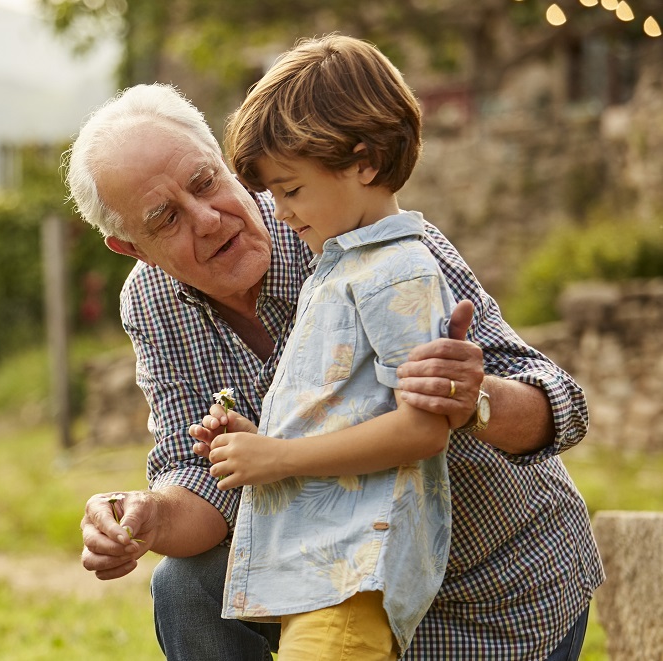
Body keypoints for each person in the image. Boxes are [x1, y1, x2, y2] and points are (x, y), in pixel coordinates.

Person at [68, 69, 602, 661]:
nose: (209, 219)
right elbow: (204, 480)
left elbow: (561, 407)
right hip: (330, 587)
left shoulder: (355, 228)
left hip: (490, 589)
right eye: (166, 218)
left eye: (205, 182)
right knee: (186, 583)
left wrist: (473, 398)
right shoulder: (151, 301)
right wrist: (145, 516)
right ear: (130, 247)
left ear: (223, 159)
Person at [188, 34, 457, 659]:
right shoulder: (342, 266)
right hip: (320, 575)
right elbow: (350, 412)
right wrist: (257, 440)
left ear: (363, 163)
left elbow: (424, 431)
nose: (278, 212)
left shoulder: (399, 271)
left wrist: (276, 460)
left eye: (292, 190)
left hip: (350, 580)